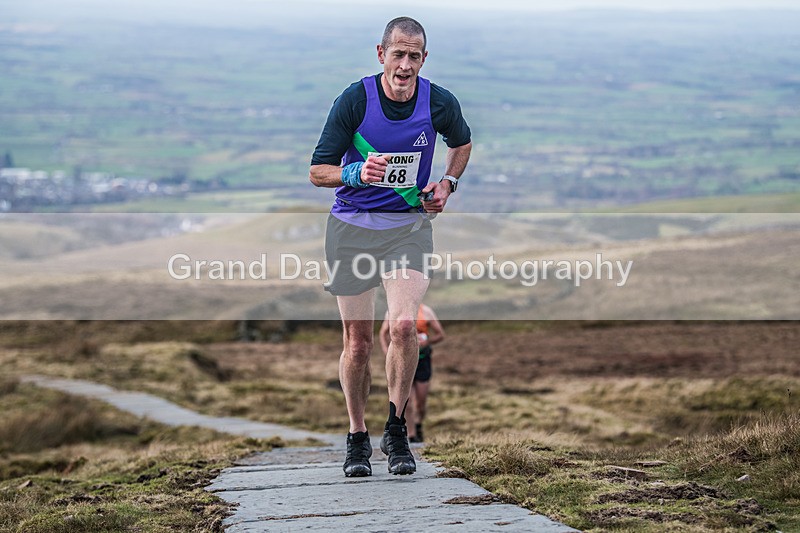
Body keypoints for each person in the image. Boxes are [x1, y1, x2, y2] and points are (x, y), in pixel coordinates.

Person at [309, 16, 471, 477]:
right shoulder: (354, 100)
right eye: (397, 54)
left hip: (408, 227)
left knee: (403, 327)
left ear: (424, 59)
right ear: (381, 54)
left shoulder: (438, 102)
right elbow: (317, 171)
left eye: (414, 56)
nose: (405, 65)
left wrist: (448, 182)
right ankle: (357, 438)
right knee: (358, 342)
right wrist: (356, 173)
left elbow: (462, 142)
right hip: (352, 227)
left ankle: (396, 430)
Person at [380, 303, 445, 443]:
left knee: (420, 402)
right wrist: (388, 354)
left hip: (422, 360)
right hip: (402, 362)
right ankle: (411, 434)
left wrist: (427, 342)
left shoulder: (426, 311)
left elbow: (440, 334)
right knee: (407, 402)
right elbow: (383, 333)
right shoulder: (393, 309)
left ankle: (418, 423)